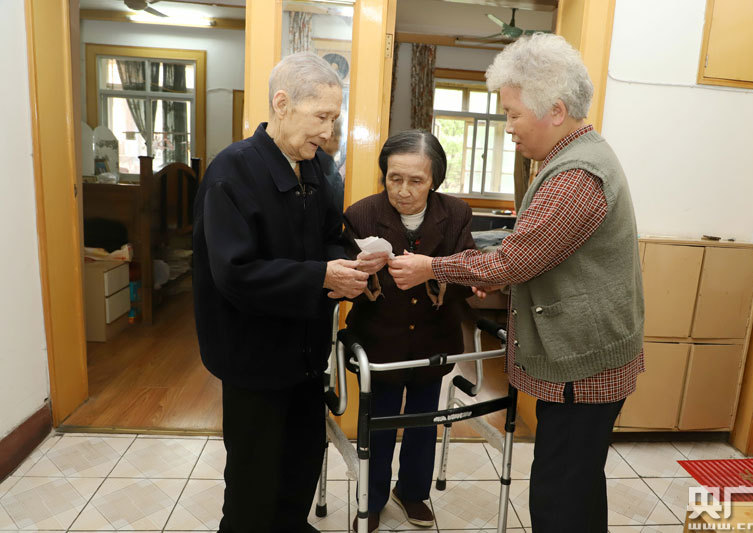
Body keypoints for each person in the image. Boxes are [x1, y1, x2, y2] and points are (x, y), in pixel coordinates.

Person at [388, 34, 645, 533]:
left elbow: (513, 261)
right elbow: (533, 256)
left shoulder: (577, 176)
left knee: (558, 496)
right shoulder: (571, 158)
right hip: (587, 356)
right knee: (578, 483)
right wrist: (499, 272)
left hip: (583, 367)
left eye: (512, 114)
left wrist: (433, 268)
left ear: (555, 110)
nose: (507, 127)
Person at [192, 52, 368, 533]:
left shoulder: (316, 167)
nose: (328, 132)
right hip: (252, 355)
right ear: (282, 103)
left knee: (301, 461)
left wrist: (349, 262)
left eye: (334, 119)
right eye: (321, 117)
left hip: (306, 353)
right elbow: (235, 273)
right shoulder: (232, 172)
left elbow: (332, 235)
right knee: (254, 479)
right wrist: (321, 277)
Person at [343, 130, 475, 533]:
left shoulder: (456, 214)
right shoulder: (361, 214)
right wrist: (359, 275)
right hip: (380, 341)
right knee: (377, 426)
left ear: (434, 180)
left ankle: (413, 492)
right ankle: (372, 500)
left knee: (423, 421)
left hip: (433, 339)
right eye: (394, 178)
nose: (403, 190)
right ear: (384, 174)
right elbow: (341, 277)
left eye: (416, 181)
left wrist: (447, 277)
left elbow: (467, 269)